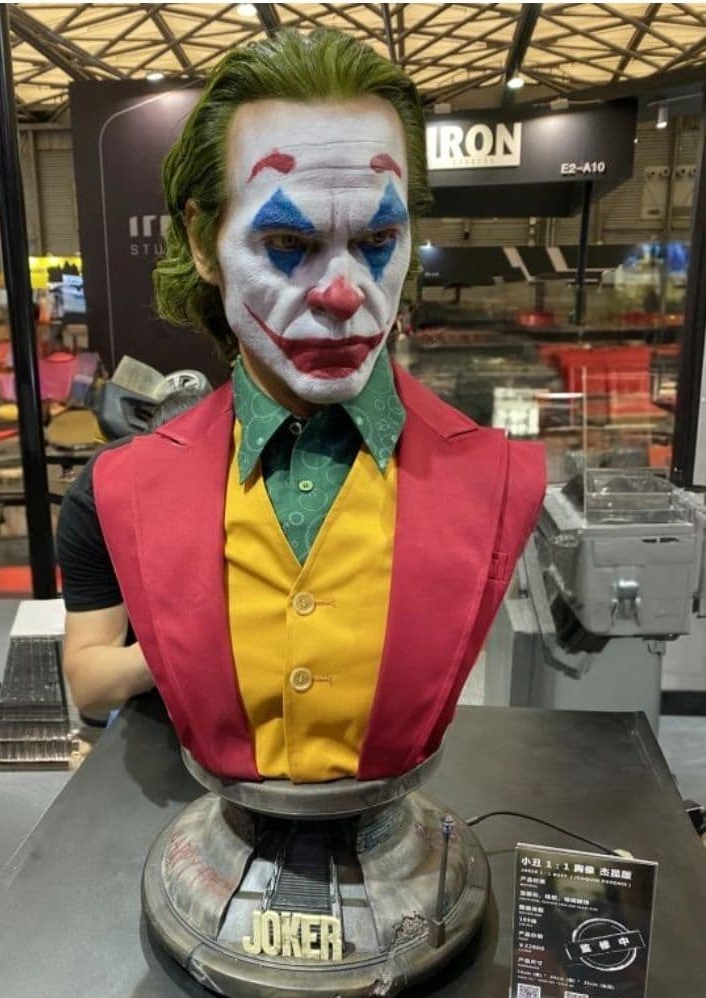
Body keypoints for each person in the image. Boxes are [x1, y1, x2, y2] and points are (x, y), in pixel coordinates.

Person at [58, 29, 546, 784]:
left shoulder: (498, 479)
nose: (344, 293)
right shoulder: (121, 489)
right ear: (202, 242)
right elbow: (89, 680)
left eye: (379, 237)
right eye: (287, 240)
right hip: (199, 825)